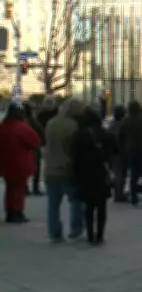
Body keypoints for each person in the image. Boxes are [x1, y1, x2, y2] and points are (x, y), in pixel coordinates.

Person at [72, 107, 116, 245]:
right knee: (101, 206)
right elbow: (115, 149)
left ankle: (90, 234)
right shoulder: (103, 133)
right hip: (101, 172)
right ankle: (100, 234)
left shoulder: (79, 134)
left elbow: (74, 154)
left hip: (85, 173)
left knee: (89, 206)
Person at [44, 98, 85, 241]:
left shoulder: (51, 123)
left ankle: (54, 232)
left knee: (53, 205)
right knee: (76, 201)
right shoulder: (73, 126)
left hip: (50, 168)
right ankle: (76, 228)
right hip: (67, 168)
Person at [0, 104, 41, 223]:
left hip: (5, 163)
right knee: (19, 189)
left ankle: (9, 211)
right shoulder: (23, 128)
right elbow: (35, 142)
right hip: (20, 163)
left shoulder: (3, 126)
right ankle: (17, 212)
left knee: (10, 189)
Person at [118, 101, 142, 206]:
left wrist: (123, 147)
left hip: (131, 149)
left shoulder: (126, 121)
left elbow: (121, 135)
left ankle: (134, 198)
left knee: (134, 174)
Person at [22, 102, 45, 196]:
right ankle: (35, 188)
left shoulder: (20, 121)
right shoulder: (33, 121)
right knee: (36, 169)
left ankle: (25, 188)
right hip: (34, 149)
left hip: (23, 149)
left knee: (24, 169)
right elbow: (41, 133)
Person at [108, 105, 128, 202]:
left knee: (118, 174)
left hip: (113, 152)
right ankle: (119, 195)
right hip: (121, 152)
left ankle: (118, 193)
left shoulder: (111, 125)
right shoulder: (123, 125)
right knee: (120, 174)